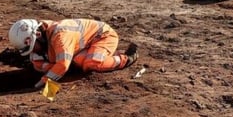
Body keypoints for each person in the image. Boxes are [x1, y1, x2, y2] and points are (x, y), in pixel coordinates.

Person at [8, 18, 137, 89]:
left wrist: (44, 80)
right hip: (80, 47)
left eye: (33, 47)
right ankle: (101, 55)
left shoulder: (60, 35)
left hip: (101, 36)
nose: (33, 51)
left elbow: (63, 64)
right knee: (43, 62)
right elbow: (38, 63)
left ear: (38, 35)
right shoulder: (43, 41)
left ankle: (125, 58)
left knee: (91, 63)